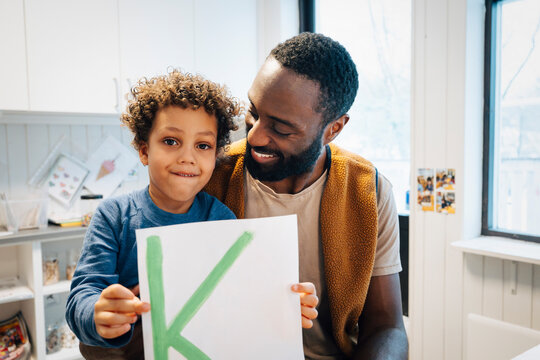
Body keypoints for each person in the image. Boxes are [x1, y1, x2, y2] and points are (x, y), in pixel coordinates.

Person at [65, 70, 319, 359]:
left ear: (215, 156)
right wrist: (97, 313)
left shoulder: (220, 219)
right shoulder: (114, 215)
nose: (187, 157)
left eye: (202, 146)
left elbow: (238, 299)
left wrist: (282, 304)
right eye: (171, 141)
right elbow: (82, 296)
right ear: (145, 151)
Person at [205, 32, 408, 359]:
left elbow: (386, 326)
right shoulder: (212, 175)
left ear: (334, 129)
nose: (254, 136)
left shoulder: (368, 190)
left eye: (281, 128)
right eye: (254, 112)